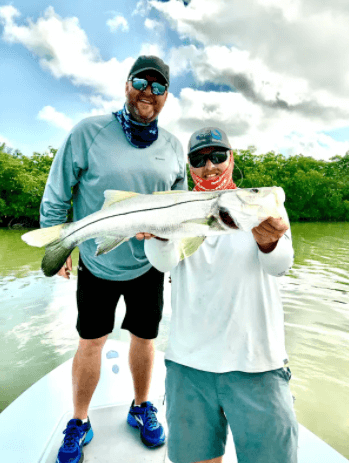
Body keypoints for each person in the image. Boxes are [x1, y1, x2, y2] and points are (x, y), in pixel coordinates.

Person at [40, 55, 187, 463]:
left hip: (148, 265)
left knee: (146, 338)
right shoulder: (89, 132)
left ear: (166, 96)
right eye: (143, 81)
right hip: (97, 260)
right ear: (127, 84)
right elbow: (57, 191)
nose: (149, 92)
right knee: (91, 341)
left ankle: (141, 407)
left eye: (159, 87)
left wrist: (172, 255)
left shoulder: (174, 147)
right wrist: (63, 243)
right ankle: (80, 420)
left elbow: (180, 210)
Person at [141, 127, 298, 463]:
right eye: (198, 159)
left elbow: (280, 265)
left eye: (217, 155)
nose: (209, 165)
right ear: (189, 167)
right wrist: (159, 235)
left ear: (232, 158)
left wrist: (267, 241)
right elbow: (162, 261)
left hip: (258, 365)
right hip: (189, 366)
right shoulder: (174, 209)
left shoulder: (261, 204)